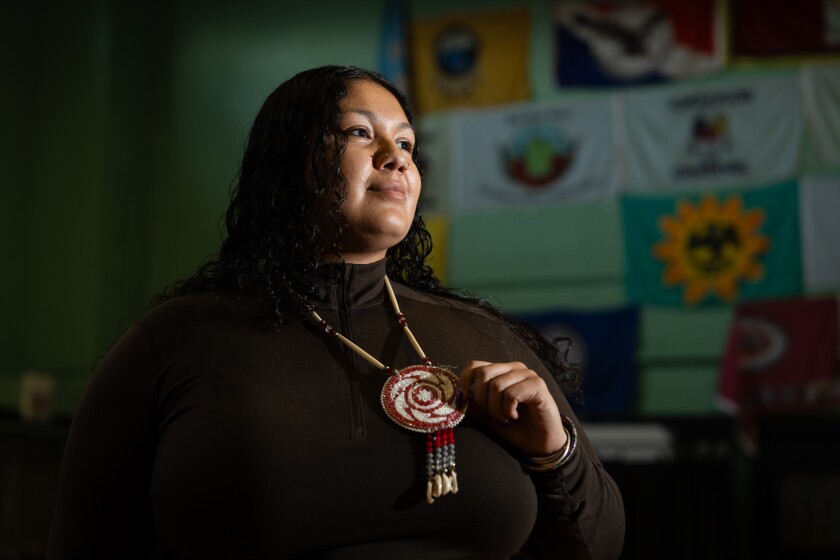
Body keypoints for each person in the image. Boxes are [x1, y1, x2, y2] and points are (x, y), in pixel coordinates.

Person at [47, 65, 624, 559]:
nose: (395, 158)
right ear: (289, 162)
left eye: (407, 144)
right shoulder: (174, 343)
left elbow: (597, 547)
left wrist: (556, 453)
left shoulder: (485, 335)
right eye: (358, 133)